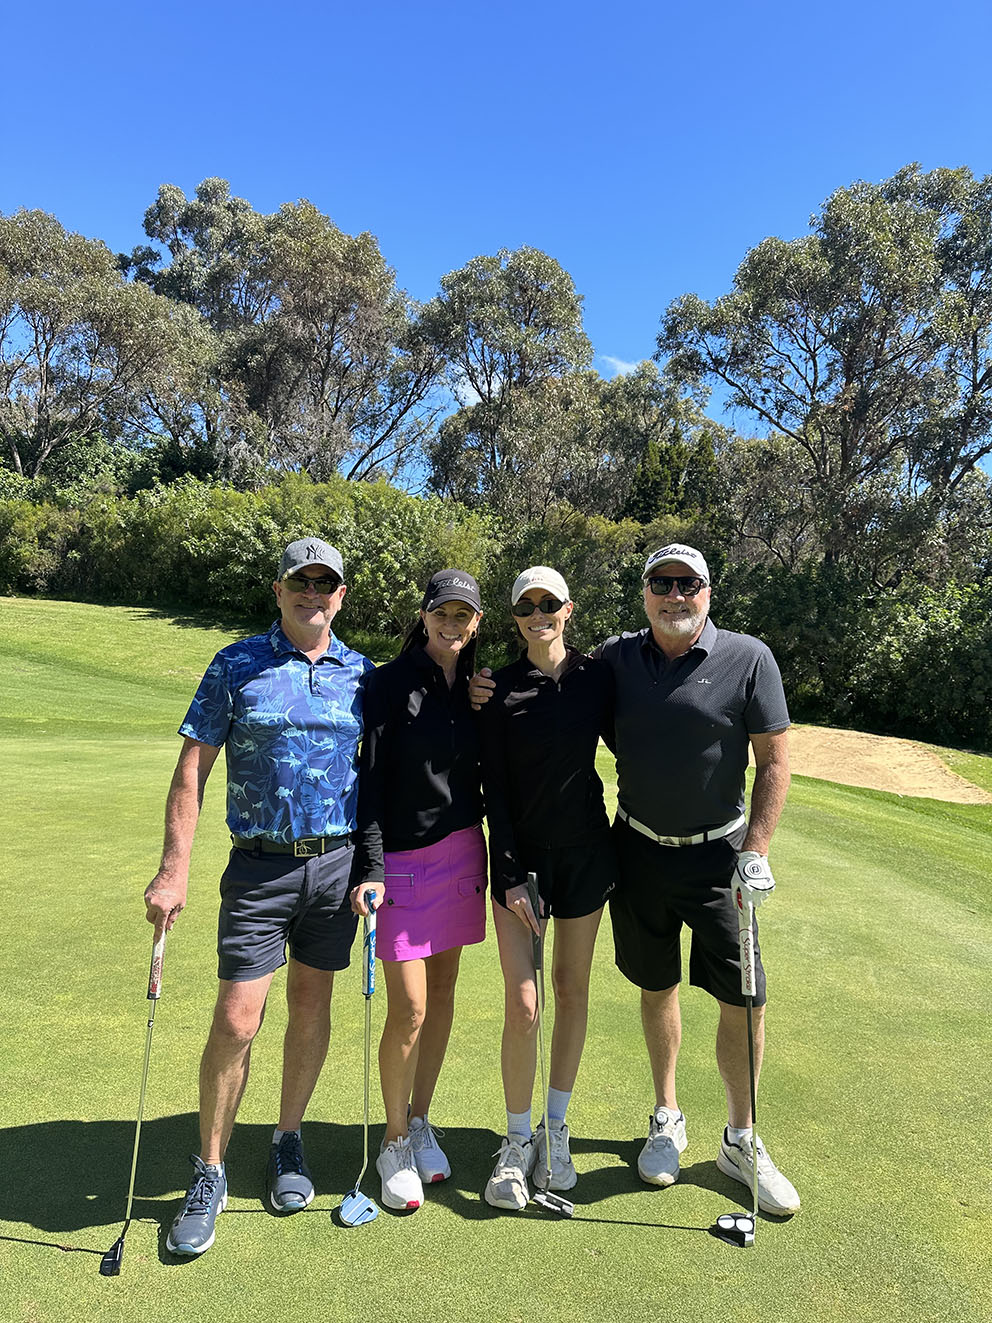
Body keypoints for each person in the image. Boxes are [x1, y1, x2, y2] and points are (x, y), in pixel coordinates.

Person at [471, 543, 800, 1216]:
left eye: (687, 583)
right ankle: (665, 1116)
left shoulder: (743, 658)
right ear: (645, 593)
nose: (675, 595)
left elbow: (774, 759)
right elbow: (510, 750)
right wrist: (475, 687)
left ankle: (740, 1138)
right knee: (656, 985)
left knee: (745, 997)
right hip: (637, 851)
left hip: (716, 859)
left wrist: (757, 848)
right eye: (661, 583)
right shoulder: (614, 660)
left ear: (707, 591)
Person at [144, 537, 373, 1256]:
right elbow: (193, 768)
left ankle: (286, 1138)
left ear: (340, 595)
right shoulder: (236, 663)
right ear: (278, 590)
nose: (312, 593)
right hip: (259, 869)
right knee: (237, 1019)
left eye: (325, 583)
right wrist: (173, 869)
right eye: (300, 581)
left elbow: (385, 776)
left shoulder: (363, 674)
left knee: (312, 1004)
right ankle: (210, 1168)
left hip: (335, 868)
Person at [478, 567, 617, 1211]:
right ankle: (515, 1139)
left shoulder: (598, 678)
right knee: (524, 1004)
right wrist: (507, 874)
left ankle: (554, 1130)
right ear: (514, 616)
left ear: (568, 608)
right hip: (521, 866)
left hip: (587, 855)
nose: (539, 613)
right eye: (526, 605)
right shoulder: (497, 690)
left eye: (549, 603)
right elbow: (494, 789)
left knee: (571, 989)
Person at [351, 569, 488, 1212]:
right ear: (425, 615)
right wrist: (370, 867)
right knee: (408, 1008)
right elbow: (372, 782)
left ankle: (421, 1117)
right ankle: (394, 1140)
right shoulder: (387, 683)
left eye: (464, 615)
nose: (452, 624)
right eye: (442, 613)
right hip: (401, 863)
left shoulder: (480, 686)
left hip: (462, 851)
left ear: (476, 622)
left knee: (443, 996)